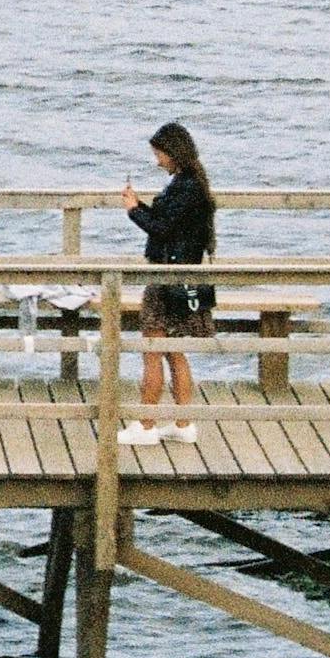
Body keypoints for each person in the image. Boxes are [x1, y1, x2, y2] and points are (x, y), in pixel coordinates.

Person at [119, 121, 215, 444]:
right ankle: (183, 422)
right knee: (174, 351)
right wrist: (140, 206)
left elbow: (161, 229)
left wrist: (133, 211)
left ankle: (146, 425)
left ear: (174, 153)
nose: (158, 161)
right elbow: (168, 222)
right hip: (183, 277)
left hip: (167, 280)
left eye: (160, 154)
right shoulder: (192, 185)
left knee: (153, 350)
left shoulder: (186, 188)